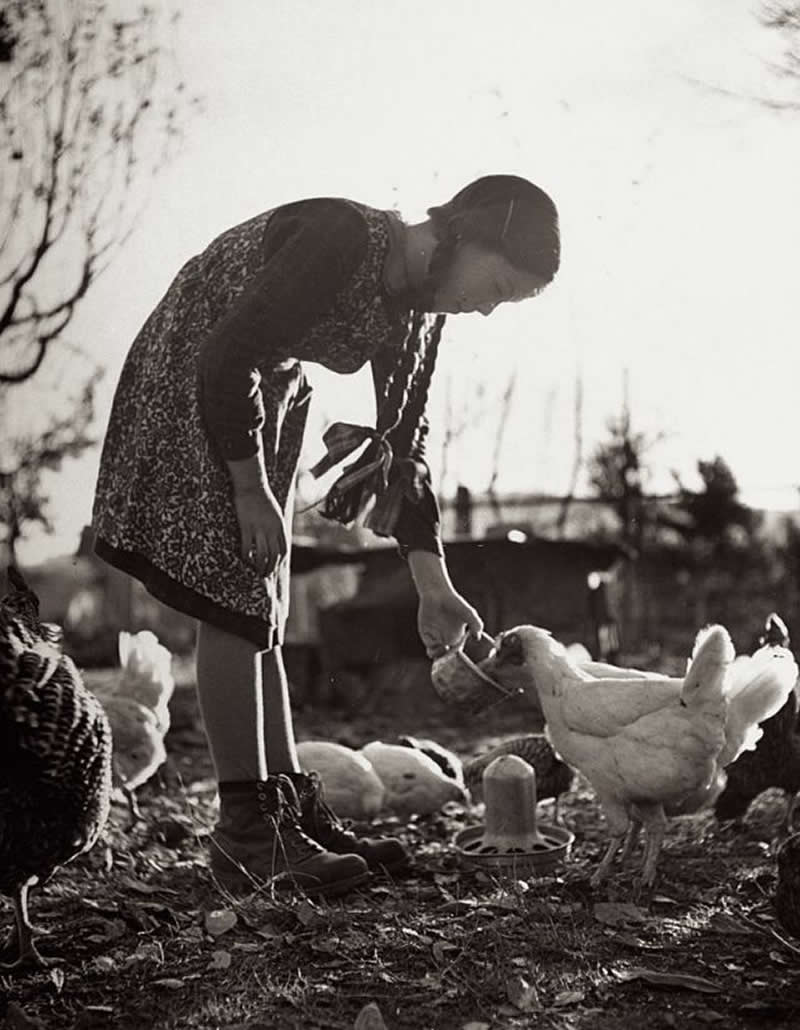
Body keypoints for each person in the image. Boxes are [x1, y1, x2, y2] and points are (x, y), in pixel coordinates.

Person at [91, 174, 560, 897]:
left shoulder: (416, 315)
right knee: (232, 598)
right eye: (498, 283)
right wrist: (249, 488)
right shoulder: (343, 239)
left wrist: (434, 586)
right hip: (197, 375)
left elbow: (402, 452)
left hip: (262, 397)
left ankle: (289, 809)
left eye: (509, 300)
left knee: (264, 609)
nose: (490, 307)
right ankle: (248, 832)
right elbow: (225, 355)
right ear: (465, 233)